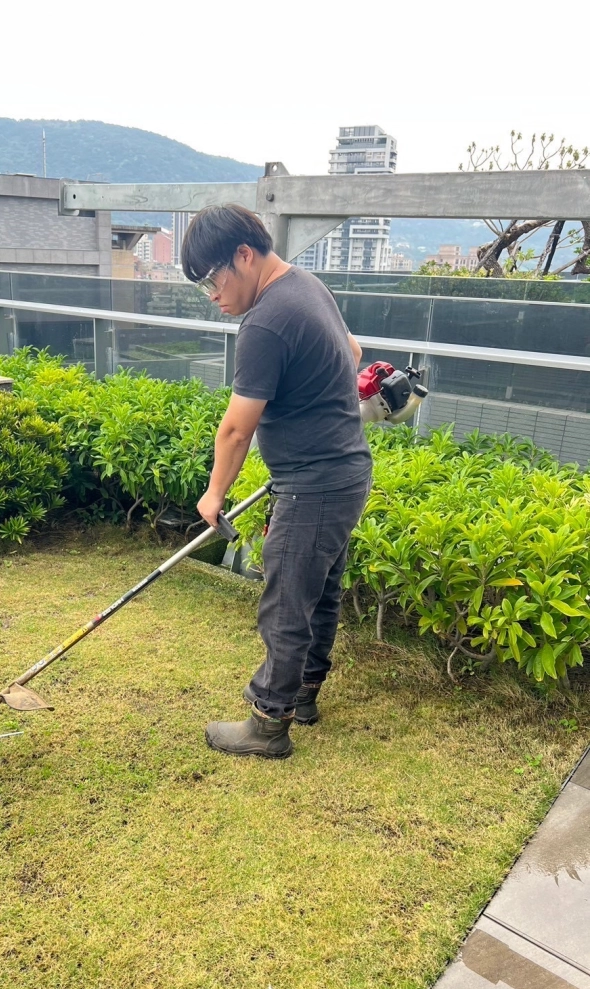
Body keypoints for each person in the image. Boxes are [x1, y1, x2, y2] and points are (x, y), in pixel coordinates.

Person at [181, 205, 372, 760]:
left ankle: (268, 722)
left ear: (243, 256)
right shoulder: (307, 287)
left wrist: (213, 495)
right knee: (319, 591)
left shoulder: (265, 320)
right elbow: (353, 354)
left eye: (214, 280)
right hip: (344, 473)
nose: (214, 295)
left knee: (287, 599)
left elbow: (237, 428)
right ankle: (304, 694)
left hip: (315, 485)